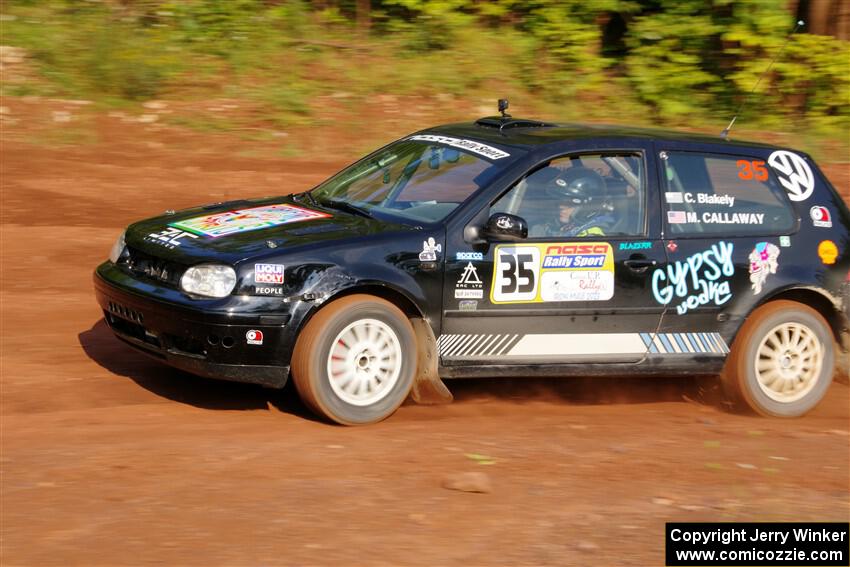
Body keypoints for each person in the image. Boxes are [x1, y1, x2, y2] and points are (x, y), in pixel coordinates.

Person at [530, 166, 616, 237]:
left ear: (587, 208)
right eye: (560, 200)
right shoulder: (561, 226)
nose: (561, 206)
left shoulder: (591, 238)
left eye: (569, 203)